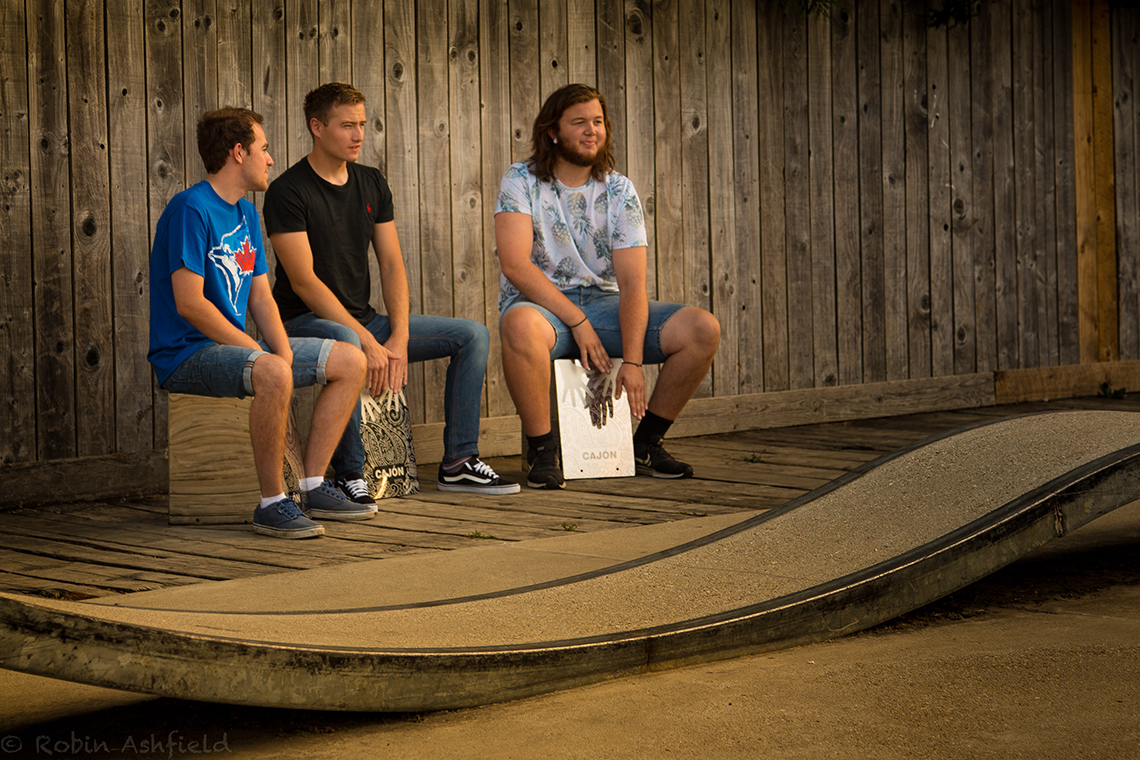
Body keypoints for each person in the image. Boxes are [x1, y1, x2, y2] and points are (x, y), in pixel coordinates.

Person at [264, 82, 519, 500]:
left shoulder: (371, 182)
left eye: (362, 124)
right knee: (346, 340)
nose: (359, 135)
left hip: (365, 320)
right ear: (317, 127)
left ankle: (458, 462)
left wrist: (396, 336)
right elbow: (305, 282)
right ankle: (350, 474)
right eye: (347, 125)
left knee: (472, 335)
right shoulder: (288, 191)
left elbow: (391, 263)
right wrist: (366, 341)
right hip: (303, 324)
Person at [148, 107, 370, 539]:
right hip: (187, 354)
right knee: (269, 370)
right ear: (237, 152)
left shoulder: (246, 214)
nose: (270, 159)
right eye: (263, 149)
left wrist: (282, 352)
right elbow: (190, 304)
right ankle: (271, 503)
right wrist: (261, 354)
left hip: (235, 350)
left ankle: (312, 484)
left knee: (350, 361)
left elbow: (261, 296)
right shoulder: (191, 209)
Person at [495, 83, 721, 489]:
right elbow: (515, 265)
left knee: (701, 329)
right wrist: (576, 321)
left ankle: (646, 443)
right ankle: (543, 452)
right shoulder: (521, 180)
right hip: (543, 308)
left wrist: (632, 363)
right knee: (519, 326)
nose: (591, 131)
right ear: (553, 132)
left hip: (603, 306)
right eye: (579, 122)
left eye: (597, 122)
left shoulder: (619, 190)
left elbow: (633, 282)